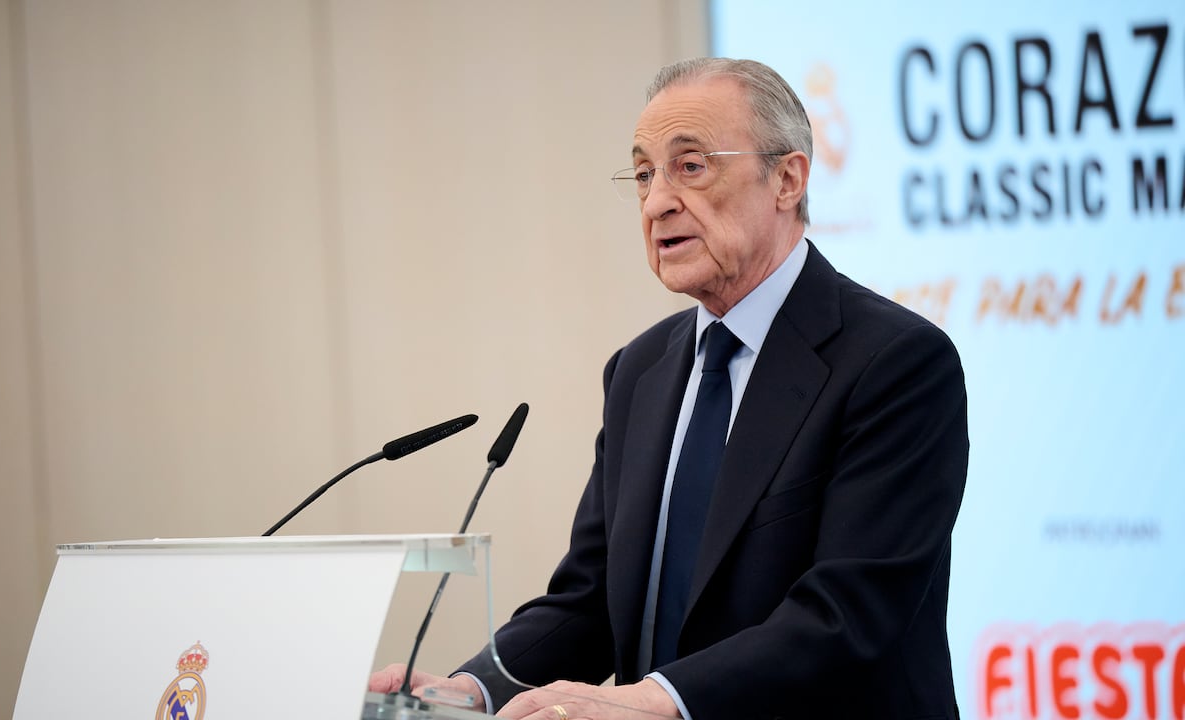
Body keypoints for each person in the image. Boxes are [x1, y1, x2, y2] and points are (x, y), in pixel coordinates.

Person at [371, 57, 969, 720]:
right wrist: (473, 689)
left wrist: (655, 702)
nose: (657, 202)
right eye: (644, 173)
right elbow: (593, 598)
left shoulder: (895, 362)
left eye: (691, 166)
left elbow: (848, 613)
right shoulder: (641, 370)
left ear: (788, 179)